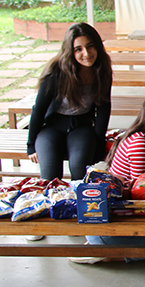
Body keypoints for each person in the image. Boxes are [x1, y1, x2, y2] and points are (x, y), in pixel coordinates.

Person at [70, 80, 145, 265]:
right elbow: (141, 200)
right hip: (107, 230)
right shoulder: (141, 143)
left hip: (112, 222)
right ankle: (110, 254)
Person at [27, 23, 112, 182]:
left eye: (90, 46)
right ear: (70, 52)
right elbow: (39, 109)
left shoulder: (102, 70)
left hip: (81, 126)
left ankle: (77, 198)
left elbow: (104, 107)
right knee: (50, 176)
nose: (86, 53)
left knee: (80, 171)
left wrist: (99, 142)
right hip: (52, 127)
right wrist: (30, 144)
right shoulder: (57, 72)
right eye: (78, 49)